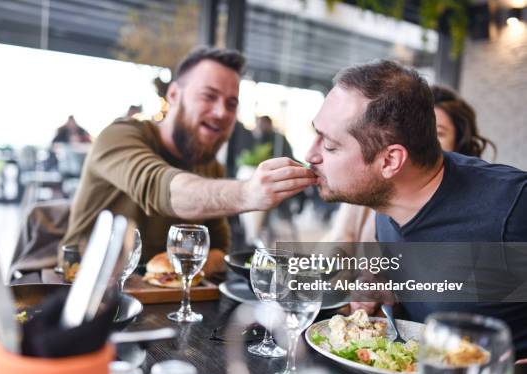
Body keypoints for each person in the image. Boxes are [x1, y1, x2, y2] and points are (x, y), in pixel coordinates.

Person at [305, 60, 527, 356]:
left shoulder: (514, 207)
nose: (311, 154)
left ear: (390, 161)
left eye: (330, 146)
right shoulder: (386, 200)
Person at [61, 47, 315, 264]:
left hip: (165, 301)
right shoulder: (119, 136)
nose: (220, 112)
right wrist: (248, 193)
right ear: (173, 95)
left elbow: (217, 248)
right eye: (209, 96)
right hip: (80, 291)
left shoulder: (209, 166)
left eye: (231, 104)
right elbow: (159, 188)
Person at [324, 85, 498, 243]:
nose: (420, 141)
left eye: (437, 133)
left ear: (460, 144)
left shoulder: (476, 208)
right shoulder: (367, 186)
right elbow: (338, 249)